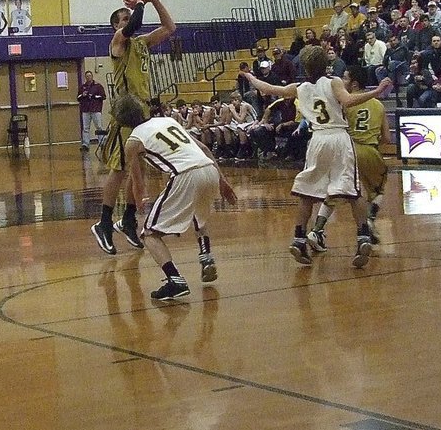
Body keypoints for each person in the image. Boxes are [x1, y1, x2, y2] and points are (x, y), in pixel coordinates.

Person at [240, 46, 392, 268]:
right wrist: (377, 91)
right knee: (351, 190)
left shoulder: (300, 87)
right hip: (339, 137)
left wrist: (249, 76)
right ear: (326, 65)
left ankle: (299, 239)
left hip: (318, 139)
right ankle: (362, 237)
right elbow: (348, 101)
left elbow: (268, 87)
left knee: (307, 192)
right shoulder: (334, 82)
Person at [113, 93, 236, 300]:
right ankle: (206, 257)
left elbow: (137, 181)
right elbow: (204, 148)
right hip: (208, 169)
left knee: (150, 234)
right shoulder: (167, 120)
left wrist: (138, 203)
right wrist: (222, 180)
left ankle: (175, 280)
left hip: (184, 174)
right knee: (198, 213)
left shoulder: (133, 140)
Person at [90, 0, 175, 255]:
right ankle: (103, 223)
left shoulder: (142, 43)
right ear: (116, 26)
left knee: (140, 169)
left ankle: (127, 219)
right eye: (123, 19)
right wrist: (140, 3)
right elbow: (135, 22)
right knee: (120, 169)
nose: (129, 21)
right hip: (126, 114)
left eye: (128, 17)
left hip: (145, 113)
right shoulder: (118, 42)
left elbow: (170, 26)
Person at [306, 65, 390, 246]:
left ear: (354, 83)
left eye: (345, 78)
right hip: (370, 151)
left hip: (348, 151)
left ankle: (316, 231)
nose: (342, 81)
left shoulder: (345, 104)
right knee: (379, 190)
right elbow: (388, 138)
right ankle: (370, 218)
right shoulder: (379, 105)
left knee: (335, 192)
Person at [77, 70, 106, 151]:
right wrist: (83, 95)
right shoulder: (82, 87)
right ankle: (85, 144)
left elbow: (103, 96)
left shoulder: (98, 86)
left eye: (89, 76)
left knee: (99, 127)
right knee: (85, 128)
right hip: (86, 110)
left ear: (92, 76)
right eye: (87, 76)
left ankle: (102, 142)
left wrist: (94, 96)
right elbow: (78, 98)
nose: (88, 77)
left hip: (96, 109)